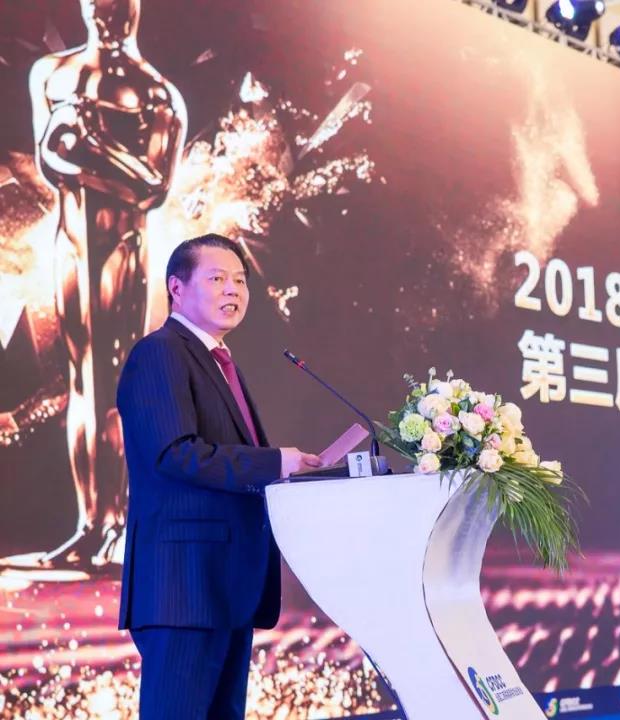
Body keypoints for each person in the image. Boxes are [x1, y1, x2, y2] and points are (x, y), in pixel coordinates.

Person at [116, 233, 322, 719]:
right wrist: (274, 462)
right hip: (184, 587)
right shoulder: (160, 352)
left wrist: (283, 475)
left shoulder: (217, 360)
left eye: (240, 281)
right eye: (216, 278)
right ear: (176, 288)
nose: (233, 289)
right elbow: (175, 454)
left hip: (224, 585)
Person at [23, 0, 187, 570]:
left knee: (114, 383)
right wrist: (96, 158)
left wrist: (92, 147)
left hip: (122, 250)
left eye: (118, 4)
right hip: (70, 245)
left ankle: (118, 523)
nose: (107, 12)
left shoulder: (157, 93)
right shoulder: (52, 74)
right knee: (81, 381)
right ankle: (89, 524)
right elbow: (51, 159)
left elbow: (152, 187)